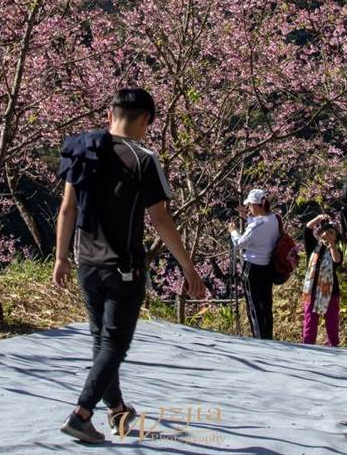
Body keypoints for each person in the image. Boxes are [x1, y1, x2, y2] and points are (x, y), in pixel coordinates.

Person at [53, 87, 206, 444]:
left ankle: (117, 408)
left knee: (100, 340)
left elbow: (67, 209)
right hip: (122, 267)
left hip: (86, 263)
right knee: (114, 344)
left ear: (110, 113)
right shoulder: (143, 159)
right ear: (146, 120)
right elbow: (160, 218)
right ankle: (82, 414)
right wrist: (188, 268)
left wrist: (61, 258)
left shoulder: (83, 149)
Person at [228, 188, 279, 340]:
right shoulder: (274, 218)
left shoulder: (255, 226)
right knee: (266, 303)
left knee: (254, 305)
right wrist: (246, 217)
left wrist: (233, 231)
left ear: (255, 205)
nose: (248, 209)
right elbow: (260, 225)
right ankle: (267, 336)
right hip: (268, 266)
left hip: (252, 268)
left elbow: (239, 243)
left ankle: (259, 338)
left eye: (249, 206)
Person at [302, 212, 344, 347]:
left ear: (336, 236)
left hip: (330, 291)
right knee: (310, 321)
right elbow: (307, 229)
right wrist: (319, 218)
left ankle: (334, 347)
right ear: (321, 233)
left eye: (332, 232)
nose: (328, 234)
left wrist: (332, 245)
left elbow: (336, 260)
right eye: (326, 231)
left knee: (332, 322)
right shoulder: (313, 247)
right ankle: (307, 347)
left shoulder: (336, 250)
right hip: (311, 289)